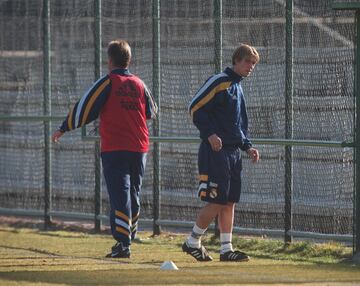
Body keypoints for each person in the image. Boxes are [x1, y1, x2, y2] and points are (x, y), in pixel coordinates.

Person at [52, 39, 157, 258]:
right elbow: (151, 111)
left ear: (109, 61)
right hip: (139, 147)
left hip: (115, 147)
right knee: (133, 193)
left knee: (120, 194)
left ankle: (123, 244)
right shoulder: (139, 83)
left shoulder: (108, 81)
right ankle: (129, 236)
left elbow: (85, 107)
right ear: (129, 60)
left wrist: (64, 128)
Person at [183, 44, 260, 262]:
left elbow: (239, 125)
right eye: (247, 62)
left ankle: (226, 249)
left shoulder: (238, 86)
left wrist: (247, 146)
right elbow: (194, 107)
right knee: (216, 201)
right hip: (214, 152)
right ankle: (192, 241)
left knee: (229, 201)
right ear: (236, 60)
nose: (250, 67)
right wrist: (210, 134)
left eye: (253, 64)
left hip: (233, 153)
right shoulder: (219, 81)